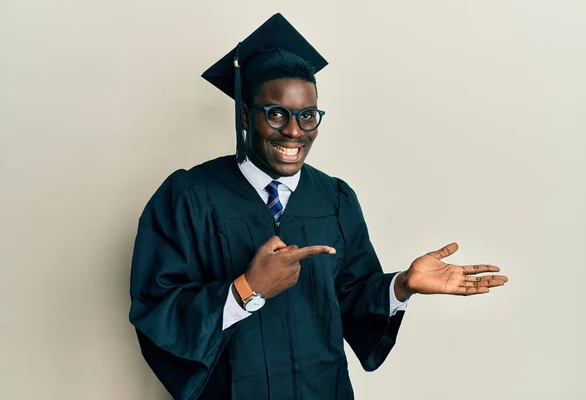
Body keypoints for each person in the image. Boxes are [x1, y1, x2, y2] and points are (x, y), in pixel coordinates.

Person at [128, 13, 508, 400]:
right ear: (246, 115)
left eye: (307, 116)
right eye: (277, 114)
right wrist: (247, 289)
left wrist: (400, 286)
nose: (294, 131)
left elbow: (350, 297)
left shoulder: (334, 198)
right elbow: (157, 308)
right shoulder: (189, 196)